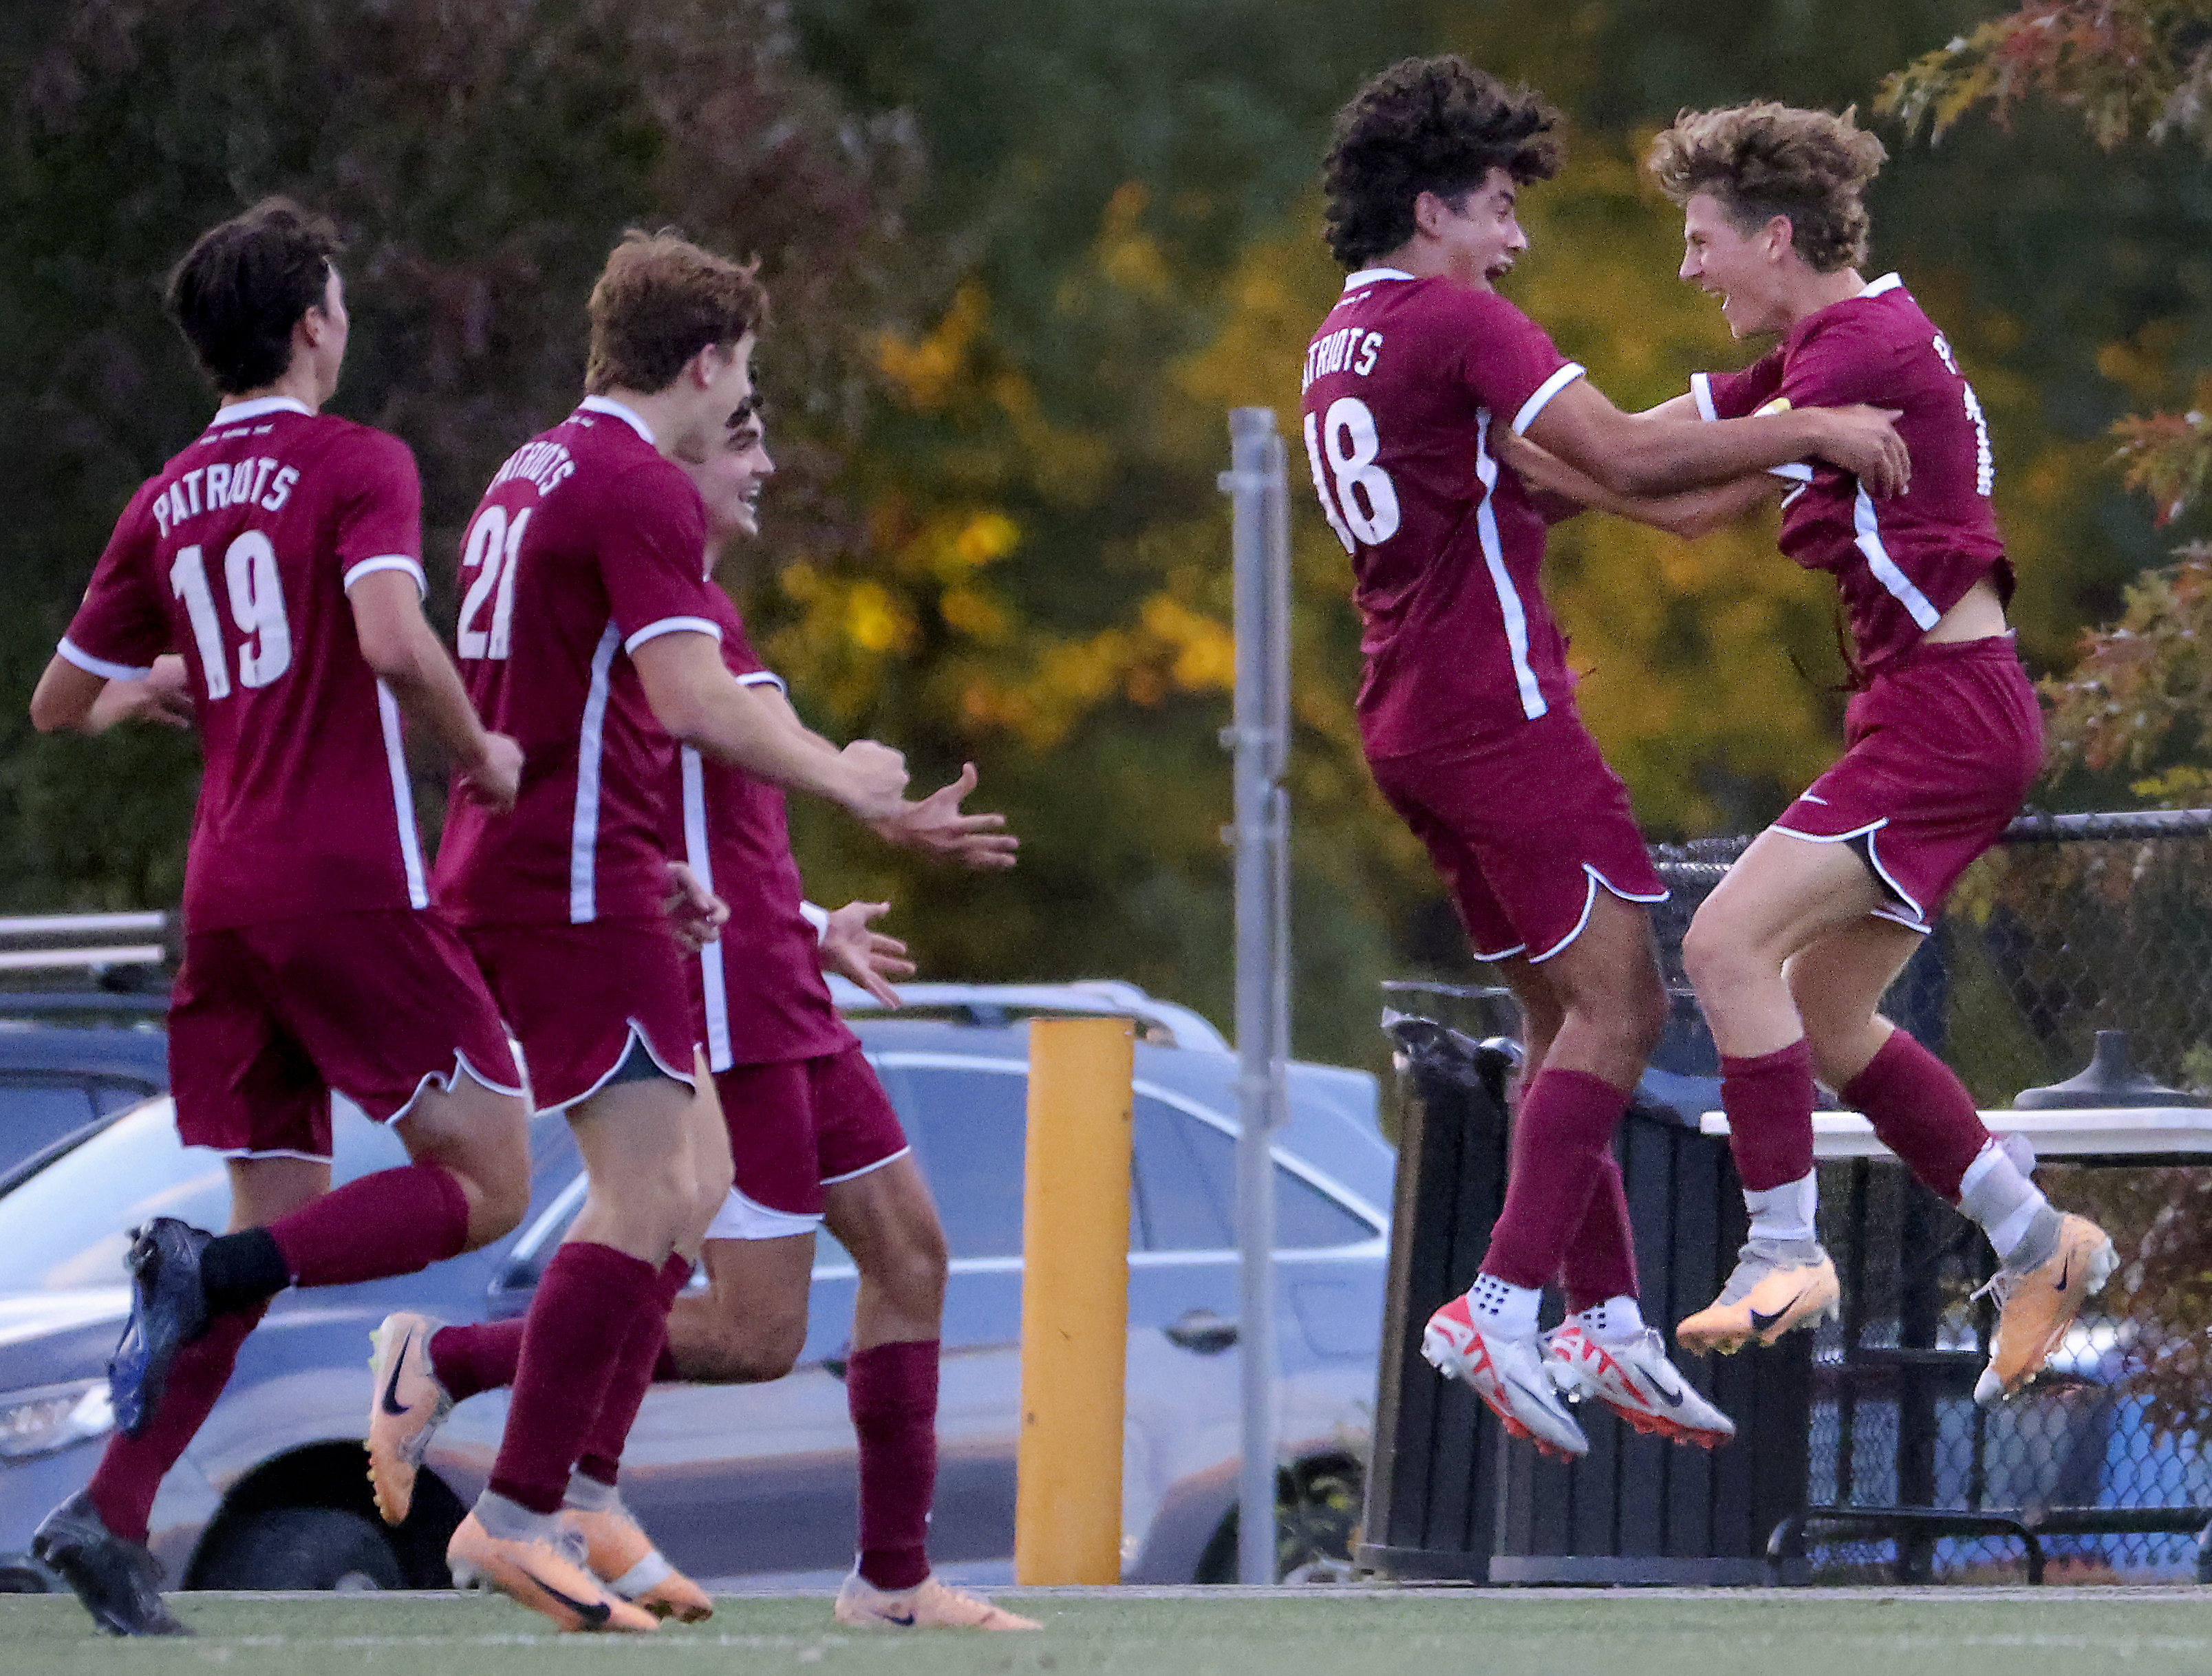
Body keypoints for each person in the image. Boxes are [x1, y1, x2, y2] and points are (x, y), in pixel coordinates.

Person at [1303, 57, 1915, 1459]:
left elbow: (1573, 490)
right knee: (1628, 1008)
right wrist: (1814, 424)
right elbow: (1628, 457)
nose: (1516, 237)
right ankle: (1502, 1303)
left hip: (1409, 716)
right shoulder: (1460, 319)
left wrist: (1740, 476)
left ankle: (1609, 1319)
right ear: (1435, 203)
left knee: (1558, 1018)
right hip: (1498, 714)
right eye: (1502, 204)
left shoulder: (1345, 338)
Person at [367, 397, 1041, 1630]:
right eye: (741, 436)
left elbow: (719, 816)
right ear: (678, 455)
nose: (765, 464)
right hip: (722, 1002)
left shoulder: (707, 613)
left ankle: (892, 1582)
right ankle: (461, 1370)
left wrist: (812, 914)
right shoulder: (650, 611)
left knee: (912, 1255)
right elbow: (666, 793)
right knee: (748, 1329)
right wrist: (858, 803)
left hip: (784, 983)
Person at [24, 200, 535, 1637]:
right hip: (344, 880)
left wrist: (153, 686)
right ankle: (212, 1266)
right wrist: (478, 749)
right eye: (343, 296)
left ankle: (109, 1516)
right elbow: (386, 634)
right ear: (315, 320)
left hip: (225, 899)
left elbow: (58, 705)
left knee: (282, 1225)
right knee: (489, 1177)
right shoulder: (357, 459)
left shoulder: (164, 495)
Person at [423, 229, 938, 1633]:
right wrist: (850, 780)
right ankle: (521, 1511)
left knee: (689, 1181)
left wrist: (661, 860)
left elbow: (563, 697)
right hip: (567, 879)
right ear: (705, 363)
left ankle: (567, 1492)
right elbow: (690, 700)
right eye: (746, 379)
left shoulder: (532, 470)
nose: (746, 416)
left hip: (582, 869)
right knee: (654, 1197)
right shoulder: (634, 484)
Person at [1622, 103, 2104, 1400]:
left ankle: (1783, 1253)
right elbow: (1662, 471)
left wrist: (1520, 440)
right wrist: (1512, 455)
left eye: (1701, 239)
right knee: (1828, 1009)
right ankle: (2035, 1238)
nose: (1688, 269)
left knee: (1723, 946)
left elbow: (1678, 472)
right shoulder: (1838, 347)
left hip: (1946, 715)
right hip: (1939, 709)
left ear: (1774, 237)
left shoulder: (1854, 346)